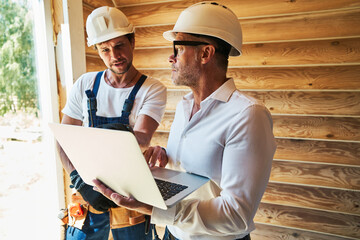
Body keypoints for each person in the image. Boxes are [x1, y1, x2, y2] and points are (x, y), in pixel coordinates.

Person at [94, 2, 277, 240]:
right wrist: (167, 156)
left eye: (178, 48)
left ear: (206, 53)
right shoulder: (184, 106)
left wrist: (153, 209)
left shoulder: (248, 115)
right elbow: (194, 171)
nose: (171, 57)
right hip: (172, 234)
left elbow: (237, 215)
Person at [58, 6, 166, 240]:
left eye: (119, 46)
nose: (114, 56)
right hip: (86, 200)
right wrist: (77, 177)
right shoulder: (84, 84)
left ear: (133, 41)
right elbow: (63, 138)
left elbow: (141, 139)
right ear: (97, 50)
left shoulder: (152, 89)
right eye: (105, 49)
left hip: (130, 202)